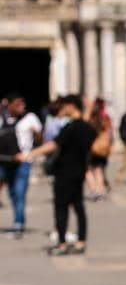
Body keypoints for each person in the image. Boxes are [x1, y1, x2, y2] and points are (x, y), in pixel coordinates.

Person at [22, 93, 94, 256]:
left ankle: (61, 243)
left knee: (61, 208)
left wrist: (31, 154)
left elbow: (54, 144)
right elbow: (87, 132)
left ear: (70, 106)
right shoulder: (84, 127)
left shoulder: (70, 127)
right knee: (78, 207)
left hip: (65, 172)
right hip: (79, 171)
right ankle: (81, 241)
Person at [1, 94, 39, 239]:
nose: (21, 107)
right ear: (9, 105)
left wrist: (37, 135)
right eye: (17, 104)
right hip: (6, 161)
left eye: (23, 104)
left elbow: (41, 138)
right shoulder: (2, 118)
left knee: (20, 191)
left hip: (24, 161)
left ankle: (18, 222)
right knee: (12, 192)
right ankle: (18, 219)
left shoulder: (30, 118)